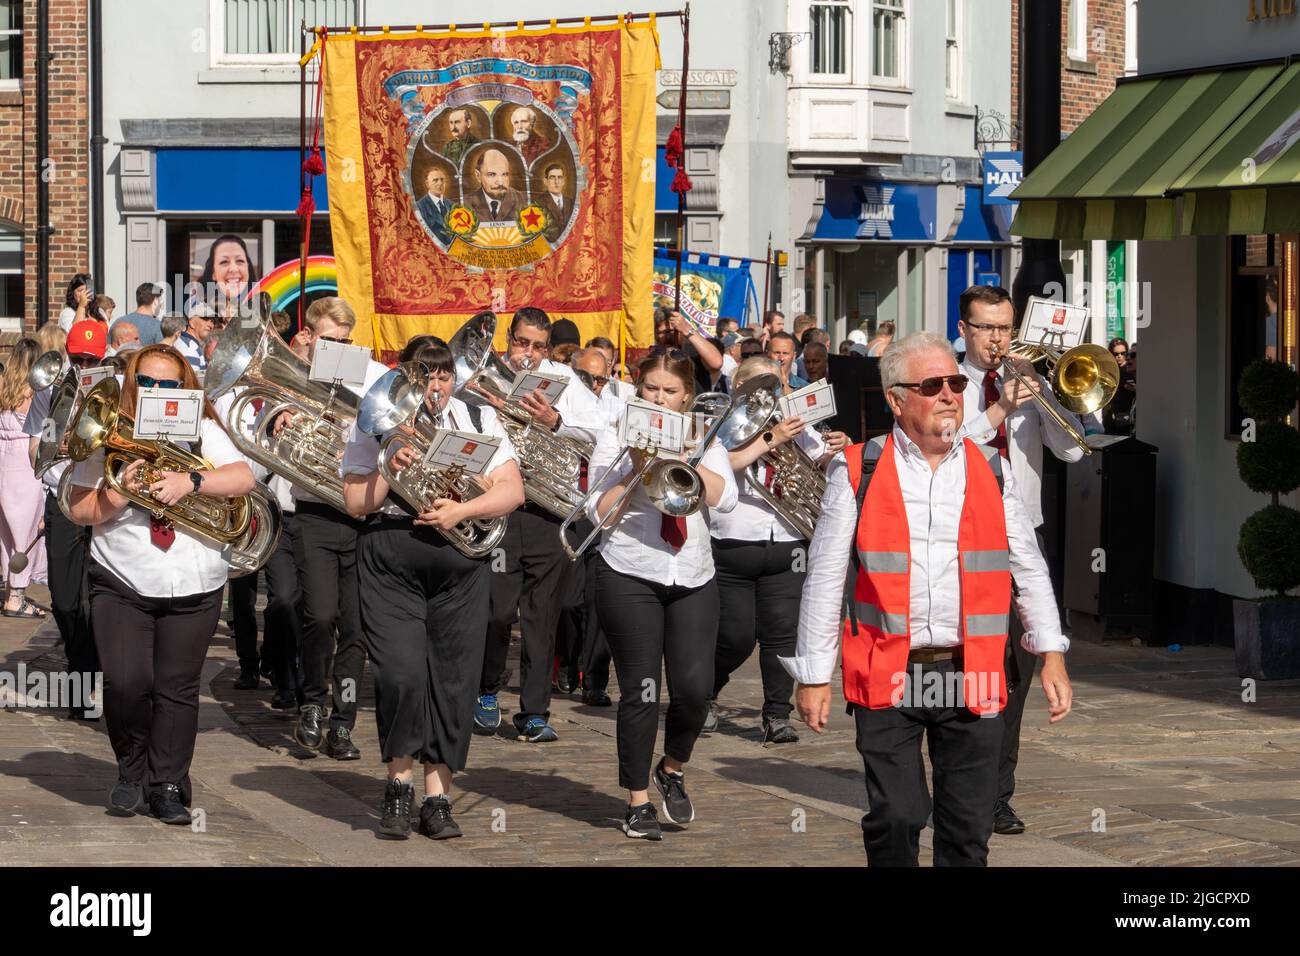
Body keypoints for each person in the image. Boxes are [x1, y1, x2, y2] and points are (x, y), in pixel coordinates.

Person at [786, 331, 1072, 866]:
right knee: (897, 816)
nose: (949, 395)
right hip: (888, 670)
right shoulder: (857, 470)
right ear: (896, 399)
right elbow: (824, 577)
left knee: (968, 831)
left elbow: (1027, 565)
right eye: (933, 385)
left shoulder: (992, 467)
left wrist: (1051, 653)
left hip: (977, 671)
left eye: (956, 383)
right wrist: (813, 674)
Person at [343, 339, 525, 840]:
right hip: (391, 551)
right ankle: (397, 787)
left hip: (460, 558)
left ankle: (437, 798)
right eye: (424, 376)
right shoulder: (375, 418)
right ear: (405, 378)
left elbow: (513, 491)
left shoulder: (478, 419)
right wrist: (387, 466)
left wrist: (462, 509)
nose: (435, 386)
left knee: (453, 680)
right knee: (401, 675)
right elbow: (356, 503)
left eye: (443, 376)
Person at [66, 344, 256, 824]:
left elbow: (243, 477)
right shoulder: (112, 430)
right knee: (126, 682)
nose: (155, 392)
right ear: (133, 384)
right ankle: (131, 771)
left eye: (167, 385)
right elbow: (77, 507)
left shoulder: (205, 430)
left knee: (177, 689)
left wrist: (189, 481)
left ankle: (168, 784)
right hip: (122, 574)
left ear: (184, 389)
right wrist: (117, 491)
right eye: (146, 383)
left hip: (194, 578)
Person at [587, 350, 737, 840]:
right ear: (638, 389)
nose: (659, 398)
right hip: (630, 570)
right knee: (641, 690)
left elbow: (726, 498)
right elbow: (596, 510)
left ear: (686, 396)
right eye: (651, 388)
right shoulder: (615, 431)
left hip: (692, 573)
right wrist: (636, 469)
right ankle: (637, 800)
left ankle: (671, 768)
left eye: (669, 391)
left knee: (694, 691)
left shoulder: (701, 433)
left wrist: (678, 458)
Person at [955, 285, 1084, 837]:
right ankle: (958, 781)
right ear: (965, 329)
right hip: (959, 543)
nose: (997, 339)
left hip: (1021, 539)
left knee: (1016, 672)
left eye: (1005, 327)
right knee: (964, 669)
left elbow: (1074, 451)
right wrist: (1000, 407)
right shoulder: (948, 383)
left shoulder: (1027, 381)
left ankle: (996, 796)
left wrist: (1050, 398)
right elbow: (951, 444)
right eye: (985, 328)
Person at [471, 308, 605, 742]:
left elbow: (603, 434)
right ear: (509, 338)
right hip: (500, 508)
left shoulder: (569, 383)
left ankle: (533, 712)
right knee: (495, 612)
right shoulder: (483, 377)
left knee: (541, 616)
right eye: (521, 343)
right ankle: (486, 691)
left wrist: (555, 422)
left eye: (537, 347)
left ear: (548, 348)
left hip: (549, 511)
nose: (527, 354)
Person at [705, 356, 847, 744]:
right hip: (734, 541)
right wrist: (771, 438)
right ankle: (705, 692)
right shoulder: (722, 426)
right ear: (740, 390)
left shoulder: (798, 424)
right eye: (761, 387)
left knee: (782, 634)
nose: (772, 395)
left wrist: (840, 449)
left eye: (778, 386)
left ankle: (776, 715)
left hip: (787, 541)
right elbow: (724, 464)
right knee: (733, 636)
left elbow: (823, 463)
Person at [277, 297, 374, 759]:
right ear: (312, 338)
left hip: (360, 517)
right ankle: (312, 703)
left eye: (346, 341)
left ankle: (343, 723)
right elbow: (261, 424)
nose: (340, 348)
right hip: (313, 512)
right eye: (331, 341)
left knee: (355, 627)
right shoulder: (292, 378)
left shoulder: (369, 379)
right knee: (319, 616)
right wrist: (283, 416)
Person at [24, 321, 107, 715]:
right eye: (79, 358)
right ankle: (82, 667)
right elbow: (36, 445)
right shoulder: (51, 390)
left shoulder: (116, 389)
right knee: (63, 596)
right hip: (62, 496)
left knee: (102, 594)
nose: (85, 364)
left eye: (92, 358)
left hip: (105, 498)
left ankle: (92, 678)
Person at [1, 338, 47, 619]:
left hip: (2, 459)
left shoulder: (4, 386)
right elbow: (41, 434)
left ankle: (10, 592)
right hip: (23, 464)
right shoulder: (36, 392)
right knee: (26, 534)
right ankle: (16, 597)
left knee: (6, 534)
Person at [653, 307, 724, 397]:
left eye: (673, 330)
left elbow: (716, 363)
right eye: (665, 332)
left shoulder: (693, 349)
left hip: (694, 409)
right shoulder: (654, 354)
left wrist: (686, 329)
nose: (670, 335)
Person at [197, 235, 259, 326]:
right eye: (224, 262)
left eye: (239, 261)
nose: (233, 269)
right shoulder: (203, 312)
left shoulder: (258, 307)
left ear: (248, 267)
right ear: (213, 273)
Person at [465, 148, 525, 223]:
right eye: (492, 175)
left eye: (505, 174)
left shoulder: (525, 201)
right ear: (478, 176)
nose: (500, 182)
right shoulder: (464, 205)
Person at [415, 166, 454, 244]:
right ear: (427, 184)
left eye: (442, 180)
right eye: (435, 180)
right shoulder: (419, 207)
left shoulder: (452, 205)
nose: (440, 183)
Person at [539, 163, 573, 242]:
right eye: (552, 178)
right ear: (546, 181)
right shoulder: (538, 204)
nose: (556, 182)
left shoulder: (570, 202)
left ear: (564, 181)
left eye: (560, 177)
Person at [177, 306, 216, 374]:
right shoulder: (190, 347)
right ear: (191, 322)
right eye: (205, 318)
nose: (210, 325)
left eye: (213, 321)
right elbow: (192, 381)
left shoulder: (185, 341)